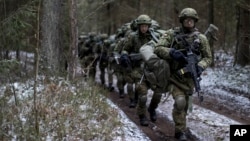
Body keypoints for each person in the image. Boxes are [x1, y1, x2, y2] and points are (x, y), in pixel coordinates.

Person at [146, 8, 212, 140]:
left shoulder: (201, 38)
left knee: (185, 106)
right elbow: (158, 48)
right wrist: (172, 53)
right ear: (182, 21)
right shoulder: (172, 34)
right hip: (174, 77)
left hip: (189, 80)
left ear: (195, 21)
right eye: (186, 19)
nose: (189, 22)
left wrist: (200, 66)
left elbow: (208, 58)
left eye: (191, 20)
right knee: (180, 102)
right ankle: (180, 132)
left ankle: (180, 128)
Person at [120, 14, 163, 126]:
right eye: (142, 26)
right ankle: (142, 116)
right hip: (138, 69)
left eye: (146, 26)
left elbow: (162, 48)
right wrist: (124, 55)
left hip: (153, 69)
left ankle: (152, 109)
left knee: (158, 93)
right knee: (142, 95)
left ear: (149, 26)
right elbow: (125, 49)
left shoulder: (155, 36)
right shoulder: (133, 37)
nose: (144, 28)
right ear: (138, 26)